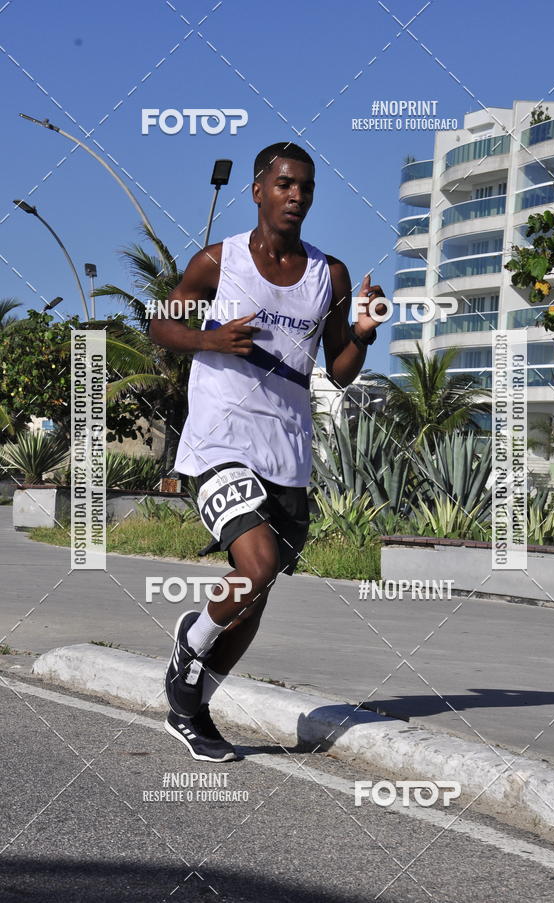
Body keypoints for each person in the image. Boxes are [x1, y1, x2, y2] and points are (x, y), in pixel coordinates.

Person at [149, 142, 384, 761]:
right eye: (283, 185)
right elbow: (159, 325)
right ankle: (189, 644)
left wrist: (362, 334)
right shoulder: (218, 261)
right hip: (217, 445)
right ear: (258, 190)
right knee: (252, 568)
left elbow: (341, 371)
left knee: (255, 597)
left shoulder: (327, 275)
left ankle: (192, 706)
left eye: (305, 187)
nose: (295, 197)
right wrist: (211, 338)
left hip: (288, 454)